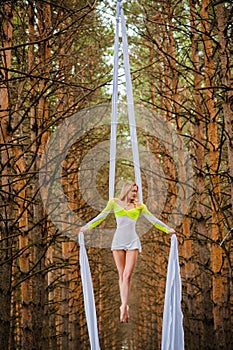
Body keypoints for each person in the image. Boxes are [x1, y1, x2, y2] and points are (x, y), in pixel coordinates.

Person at [80, 180, 175, 323]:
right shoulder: (114, 202)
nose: (135, 193)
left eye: (136, 191)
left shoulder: (139, 206)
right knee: (121, 274)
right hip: (118, 241)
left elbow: (153, 220)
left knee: (127, 274)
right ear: (126, 190)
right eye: (133, 190)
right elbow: (101, 216)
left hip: (132, 242)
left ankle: (124, 305)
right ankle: (124, 305)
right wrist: (88, 227)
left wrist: (167, 229)